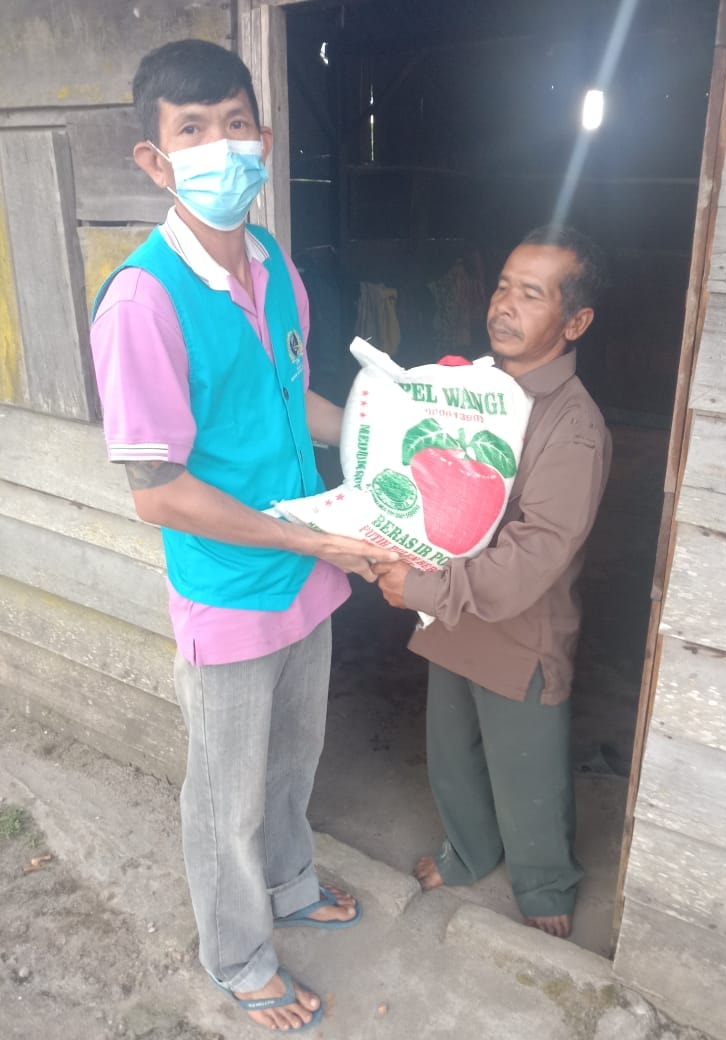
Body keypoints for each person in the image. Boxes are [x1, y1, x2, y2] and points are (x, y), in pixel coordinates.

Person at [89, 39, 398, 1032]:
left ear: (262, 137)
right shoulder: (143, 301)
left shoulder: (271, 263)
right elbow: (156, 492)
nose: (221, 145)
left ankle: (291, 881)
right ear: (155, 160)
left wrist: (386, 429)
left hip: (307, 565)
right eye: (192, 130)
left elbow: (291, 397)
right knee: (227, 795)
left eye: (234, 123)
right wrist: (307, 541)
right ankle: (235, 951)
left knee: (295, 756)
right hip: (230, 586)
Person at [373, 225, 611, 940]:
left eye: (532, 294)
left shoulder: (573, 427)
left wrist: (421, 590)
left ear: (575, 322)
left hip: (521, 633)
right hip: (455, 617)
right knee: (454, 753)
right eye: (504, 286)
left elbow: (533, 558)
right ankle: (470, 850)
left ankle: (544, 882)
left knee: (526, 766)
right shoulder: (471, 393)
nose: (504, 305)